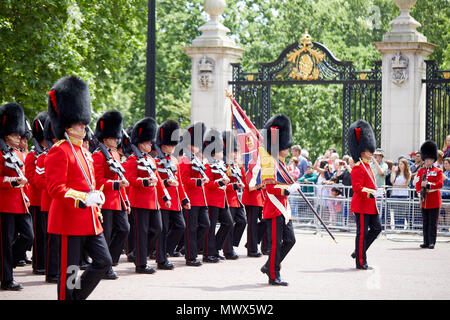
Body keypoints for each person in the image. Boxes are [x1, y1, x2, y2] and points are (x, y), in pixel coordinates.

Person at [45, 76, 111, 300]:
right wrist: (83, 198)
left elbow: (90, 182)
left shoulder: (84, 152)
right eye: (79, 123)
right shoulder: (59, 150)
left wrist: (97, 198)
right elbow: (55, 188)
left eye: (84, 123)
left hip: (91, 219)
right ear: (67, 123)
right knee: (71, 271)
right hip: (69, 219)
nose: (84, 126)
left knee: (104, 262)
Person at [126, 117, 170, 274]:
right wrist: (144, 181)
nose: (151, 144)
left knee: (157, 229)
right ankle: (141, 264)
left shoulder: (151, 159)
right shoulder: (132, 160)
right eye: (148, 142)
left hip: (153, 201)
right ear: (140, 143)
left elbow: (158, 179)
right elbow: (130, 179)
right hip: (139, 201)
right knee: (141, 233)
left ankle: (139, 254)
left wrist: (164, 194)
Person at [92, 111, 131, 279]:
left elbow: (120, 177)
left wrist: (126, 200)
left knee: (124, 229)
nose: (117, 140)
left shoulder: (115, 154)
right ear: (105, 138)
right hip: (105, 201)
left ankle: (111, 261)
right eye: (114, 138)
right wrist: (115, 184)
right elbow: (98, 180)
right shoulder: (98, 155)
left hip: (118, 200)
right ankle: (105, 268)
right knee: (106, 235)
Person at [259, 114, 296, 286]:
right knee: (275, 244)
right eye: (286, 146)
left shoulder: (282, 163)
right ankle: (274, 275)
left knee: (290, 240)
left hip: (283, 208)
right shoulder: (269, 163)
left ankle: (269, 265)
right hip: (273, 209)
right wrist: (288, 189)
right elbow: (269, 187)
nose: (288, 149)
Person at [0, 102, 33, 291]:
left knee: (29, 236)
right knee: (5, 241)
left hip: (20, 203)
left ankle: (5, 266)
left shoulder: (19, 154)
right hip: (4, 204)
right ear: (6, 134)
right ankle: (6, 278)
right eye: (14, 134)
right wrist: (11, 182)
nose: (19, 137)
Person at [154, 120, 190, 269]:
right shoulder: (156, 161)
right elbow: (157, 181)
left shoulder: (174, 161)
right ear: (163, 145)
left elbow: (180, 182)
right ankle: (161, 259)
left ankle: (164, 251)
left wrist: (184, 199)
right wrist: (168, 184)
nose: (174, 148)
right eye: (171, 145)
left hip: (175, 202)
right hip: (164, 200)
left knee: (180, 227)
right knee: (162, 230)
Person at [347, 119, 383, 270]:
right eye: (369, 151)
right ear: (362, 151)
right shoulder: (358, 167)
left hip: (370, 205)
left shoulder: (368, 166)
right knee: (361, 234)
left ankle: (358, 251)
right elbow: (357, 188)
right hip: (362, 205)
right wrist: (372, 193)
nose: (371, 153)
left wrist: (376, 193)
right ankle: (361, 261)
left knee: (377, 229)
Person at [178, 122, 211, 266]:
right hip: (191, 198)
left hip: (201, 199)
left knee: (205, 225)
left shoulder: (196, 158)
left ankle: (190, 249)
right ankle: (191, 257)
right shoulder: (186, 159)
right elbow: (183, 180)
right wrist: (198, 181)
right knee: (191, 228)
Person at [202, 128, 233, 262]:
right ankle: (208, 253)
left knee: (228, 223)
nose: (222, 152)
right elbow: (207, 184)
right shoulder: (208, 165)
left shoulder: (221, 165)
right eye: (220, 150)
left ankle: (215, 248)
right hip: (212, 200)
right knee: (211, 227)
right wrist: (220, 182)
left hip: (221, 200)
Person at [25, 111, 48, 276]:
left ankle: (47, 263)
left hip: (47, 200)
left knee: (47, 234)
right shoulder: (33, 156)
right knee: (38, 235)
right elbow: (32, 179)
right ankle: (38, 264)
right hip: (36, 200)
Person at [222, 130, 247, 260]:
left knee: (242, 221)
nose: (235, 153)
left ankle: (230, 244)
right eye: (233, 151)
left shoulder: (235, 165)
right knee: (229, 224)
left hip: (236, 199)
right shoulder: (225, 165)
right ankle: (227, 250)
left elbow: (242, 179)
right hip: (228, 198)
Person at [415, 140, 443, 249]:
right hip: (424, 199)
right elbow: (417, 183)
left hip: (434, 199)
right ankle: (425, 241)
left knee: (432, 223)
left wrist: (429, 185)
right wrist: (419, 193)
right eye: (426, 159)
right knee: (425, 222)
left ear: (433, 159)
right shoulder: (421, 171)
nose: (427, 161)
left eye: (430, 159)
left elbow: (440, 184)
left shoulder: (438, 171)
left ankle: (432, 242)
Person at [389, 158, 411, 229]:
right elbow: (392, 181)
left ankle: (401, 226)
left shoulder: (408, 173)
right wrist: (393, 172)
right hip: (395, 194)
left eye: (401, 164)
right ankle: (396, 226)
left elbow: (406, 183)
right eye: (399, 164)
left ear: (405, 165)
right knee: (396, 211)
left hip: (403, 194)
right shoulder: (396, 172)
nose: (399, 165)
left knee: (402, 211)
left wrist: (397, 185)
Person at [440, 158, 450, 231]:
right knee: (438, 211)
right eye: (444, 163)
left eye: (447, 163)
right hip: (441, 194)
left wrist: (445, 178)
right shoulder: (444, 172)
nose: (445, 165)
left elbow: (448, 182)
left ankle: (446, 227)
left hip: (448, 194)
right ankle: (443, 226)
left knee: (447, 212)